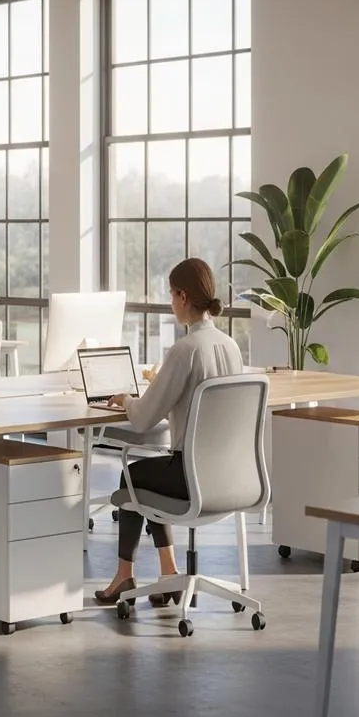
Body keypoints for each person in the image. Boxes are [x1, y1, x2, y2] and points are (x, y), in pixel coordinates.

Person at [92, 257, 243, 606]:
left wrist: (127, 399)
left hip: (191, 477)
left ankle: (124, 576)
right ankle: (169, 572)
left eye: (171, 295)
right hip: (229, 477)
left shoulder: (184, 350)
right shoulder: (231, 347)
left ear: (183, 295)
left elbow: (144, 420)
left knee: (133, 477)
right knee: (152, 473)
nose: (171, 302)